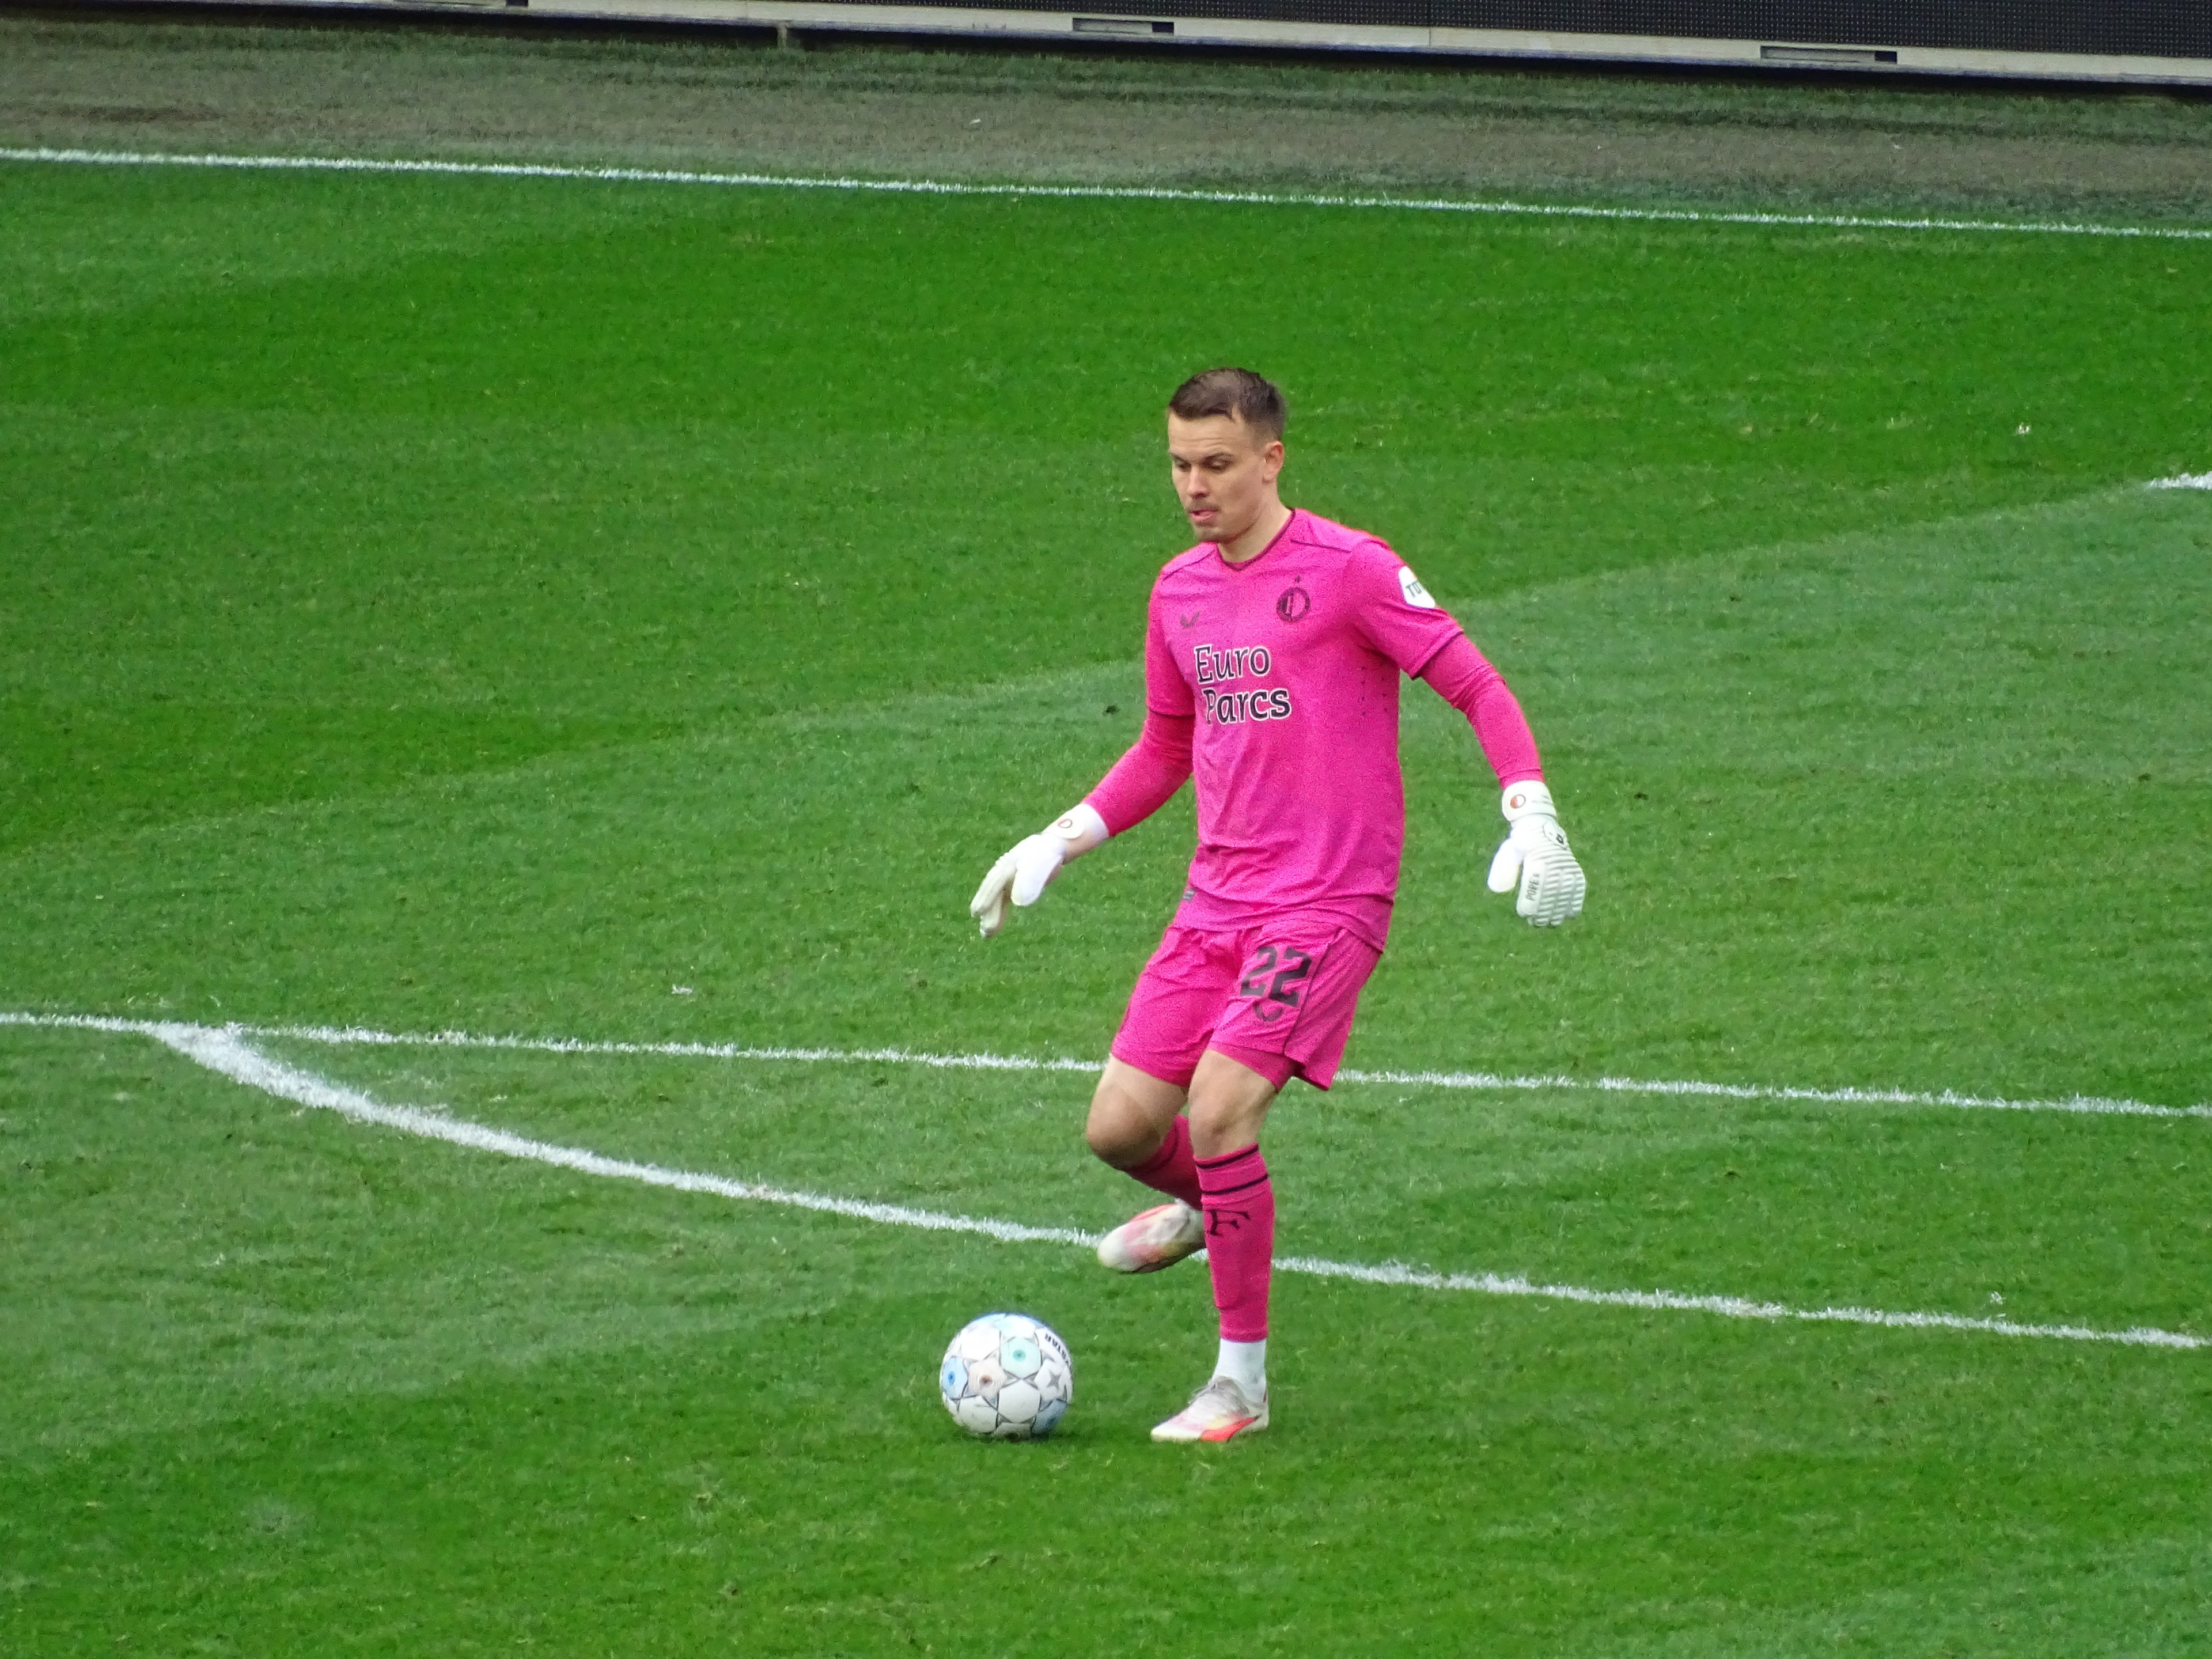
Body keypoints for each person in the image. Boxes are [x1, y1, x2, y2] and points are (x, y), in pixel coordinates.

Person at [969, 367, 1585, 1444]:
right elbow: (1166, 748)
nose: (1193, 487)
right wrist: (1060, 836)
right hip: (1216, 902)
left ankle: (1239, 1387)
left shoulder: (1353, 571)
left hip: (1327, 901)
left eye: (1215, 465)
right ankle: (1214, 1208)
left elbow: (1475, 683)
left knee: (1219, 1113)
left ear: (1271, 459)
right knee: (1119, 1128)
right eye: (1177, 465)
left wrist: (1529, 809)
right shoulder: (1180, 591)